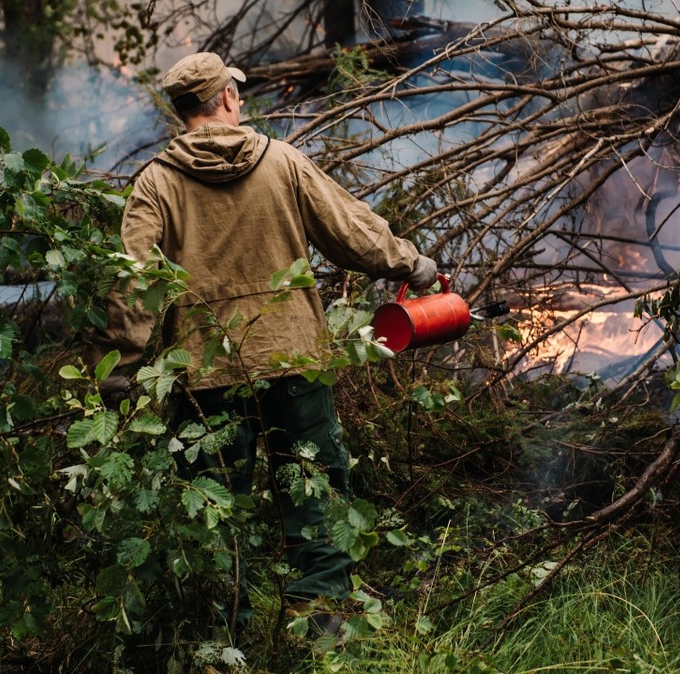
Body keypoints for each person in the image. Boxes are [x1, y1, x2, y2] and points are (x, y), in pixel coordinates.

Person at [91, 51, 437, 638]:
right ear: (224, 98)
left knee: (214, 518)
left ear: (181, 111)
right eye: (237, 91)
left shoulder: (156, 183)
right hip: (295, 361)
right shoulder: (282, 162)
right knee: (315, 507)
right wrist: (414, 263)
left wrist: (121, 366)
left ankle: (218, 645)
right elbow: (352, 233)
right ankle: (324, 641)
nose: (242, 99)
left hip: (204, 378)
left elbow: (135, 281)